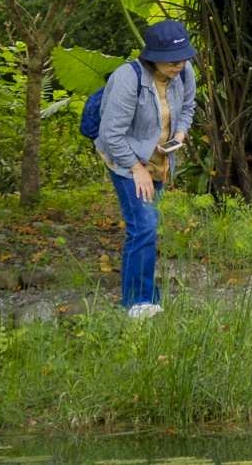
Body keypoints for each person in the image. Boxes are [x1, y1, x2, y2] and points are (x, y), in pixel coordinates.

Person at [95, 18, 198, 317]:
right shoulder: (127, 79)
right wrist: (136, 168)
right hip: (124, 159)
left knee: (145, 228)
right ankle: (138, 303)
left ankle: (143, 299)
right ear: (153, 57)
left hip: (159, 160)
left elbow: (189, 107)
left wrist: (179, 135)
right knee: (144, 227)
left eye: (183, 58)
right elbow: (111, 134)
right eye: (172, 61)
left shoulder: (183, 71)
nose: (179, 65)